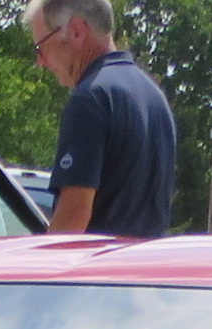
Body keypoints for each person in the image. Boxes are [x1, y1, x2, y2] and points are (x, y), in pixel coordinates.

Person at [29, 0, 180, 240]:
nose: (41, 61)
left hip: (95, 270)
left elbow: (73, 217)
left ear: (77, 31)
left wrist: (38, 273)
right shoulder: (155, 96)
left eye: (41, 48)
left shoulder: (90, 98)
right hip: (146, 267)